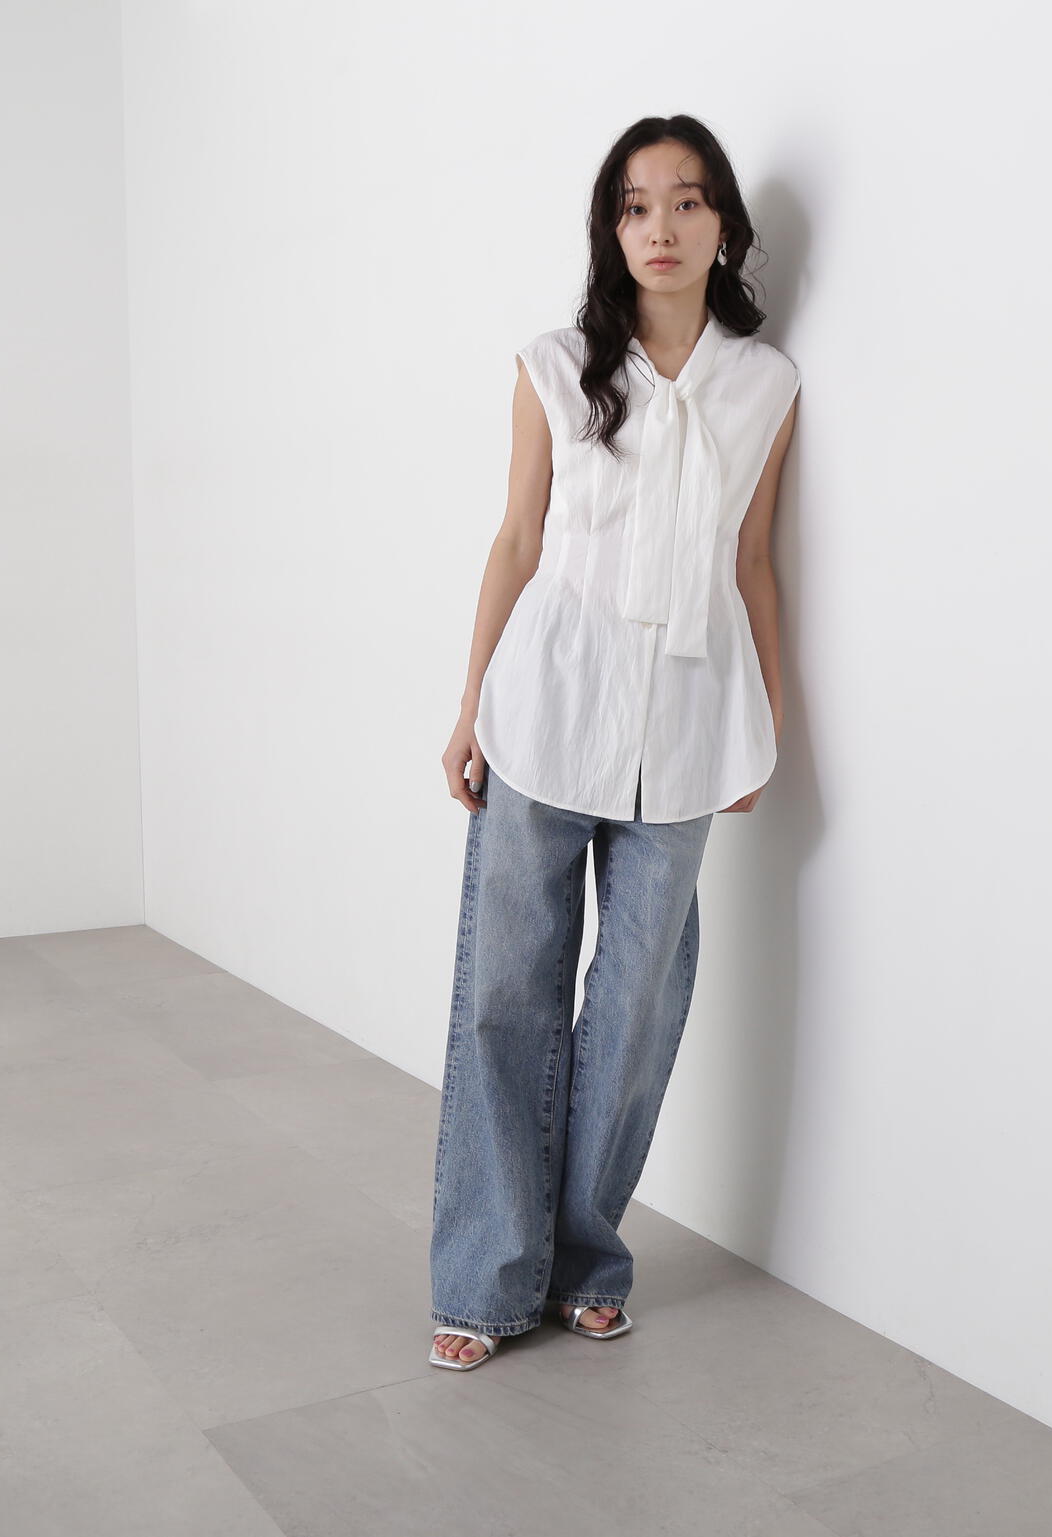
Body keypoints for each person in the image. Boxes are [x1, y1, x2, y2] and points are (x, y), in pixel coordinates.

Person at [428, 114, 801, 1369]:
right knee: (505, 996)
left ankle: (586, 1258)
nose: (660, 227)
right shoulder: (552, 366)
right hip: (545, 709)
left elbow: (751, 561)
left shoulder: (765, 386)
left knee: (635, 1008)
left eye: (686, 202)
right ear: (611, 228)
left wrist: (767, 720)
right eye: (636, 205)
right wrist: (470, 705)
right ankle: (485, 1277)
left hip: (686, 730)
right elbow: (516, 542)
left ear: (723, 226)